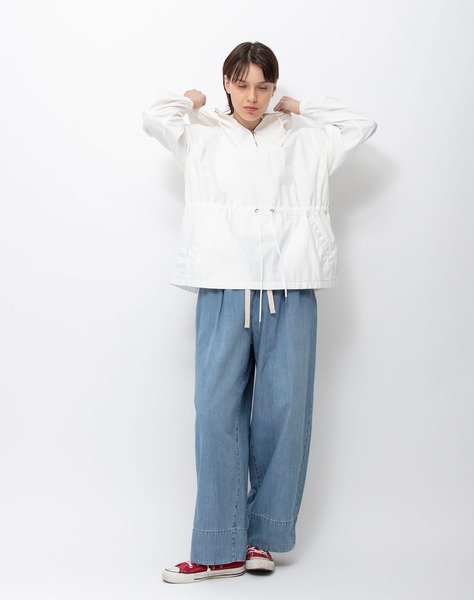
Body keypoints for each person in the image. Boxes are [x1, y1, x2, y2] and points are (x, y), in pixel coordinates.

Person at [142, 41, 376, 584]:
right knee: (215, 412)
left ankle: (262, 539)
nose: (252, 97)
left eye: (264, 86)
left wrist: (304, 106)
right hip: (223, 285)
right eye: (242, 84)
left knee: (284, 413)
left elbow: (361, 125)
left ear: (274, 88)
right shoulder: (200, 133)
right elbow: (154, 118)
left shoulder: (302, 137)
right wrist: (189, 99)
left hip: (290, 287)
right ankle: (218, 546)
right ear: (226, 82)